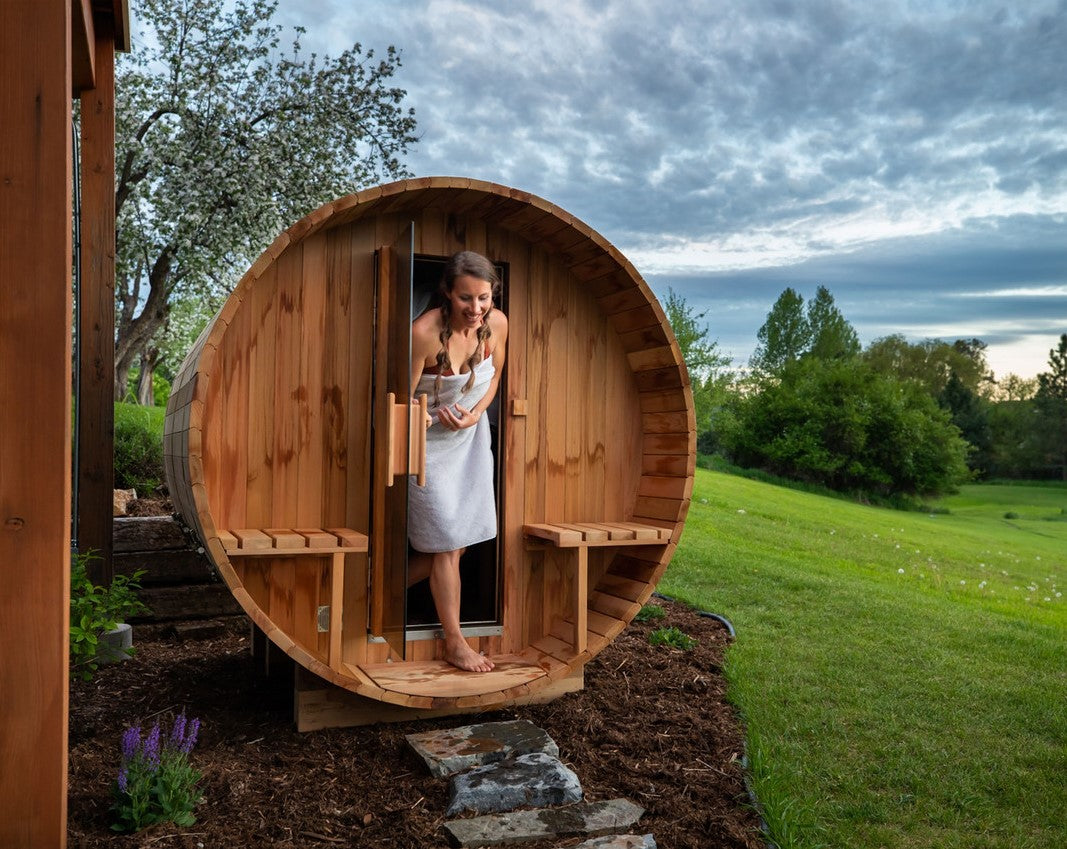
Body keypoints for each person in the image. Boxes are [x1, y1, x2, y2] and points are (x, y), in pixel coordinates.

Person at [408, 251, 508, 672]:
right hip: (425, 445)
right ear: (448, 292)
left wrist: (475, 413)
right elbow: (397, 402)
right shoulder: (424, 333)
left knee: (458, 541)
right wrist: (430, 417)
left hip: (469, 440)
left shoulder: (498, 323)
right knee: (448, 543)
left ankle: (374, 591)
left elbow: (495, 378)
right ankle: (455, 642)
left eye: (483, 298)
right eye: (466, 298)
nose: (476, 309)